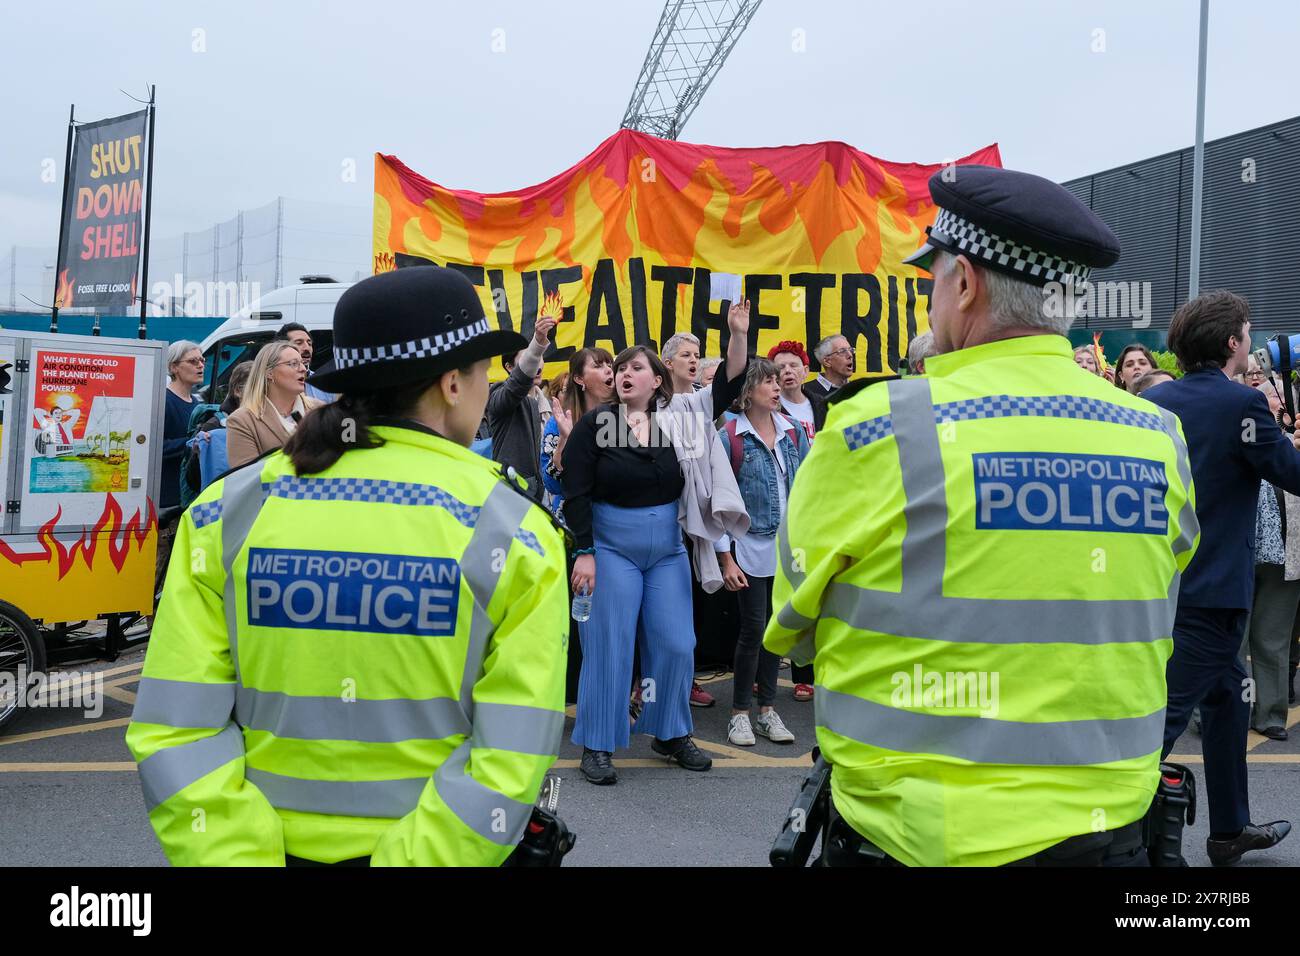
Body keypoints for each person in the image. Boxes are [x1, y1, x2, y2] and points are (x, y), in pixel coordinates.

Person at [766, 164, 1199, 867]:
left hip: (913, 837)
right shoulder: (1157, 436)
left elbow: (791, 625)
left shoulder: (874, 429)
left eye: (932, 278)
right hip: (1110, 834)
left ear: (964, 282)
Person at [126, 265, 569, 866]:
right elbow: (511, 753)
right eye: (482, 368)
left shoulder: (225, 513)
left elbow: (176, 731)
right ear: (452, 384)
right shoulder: (515, 529)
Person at [1144, 290, 1300, 865]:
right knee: (1160, 723)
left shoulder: (1156, 403)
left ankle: (1231, 828)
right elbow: (1289, 472)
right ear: (1232, 342)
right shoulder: (1241, 404)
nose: (1252, 341)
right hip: (1210, 593)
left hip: (1167, 580)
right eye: (1247, 332)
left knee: (1230, 703)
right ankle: (1111, 837)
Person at [563, 334, 749, 785]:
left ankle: (669, 732)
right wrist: (585, 552)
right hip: (610, 547)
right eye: (620, 368)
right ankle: (599, 743)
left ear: (658, 381)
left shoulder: (678, 421)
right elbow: (576, 491)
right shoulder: (596, 424)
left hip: (665, 548)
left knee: (676, 643)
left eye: (635, 368)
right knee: (610, 645)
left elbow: (727, 385)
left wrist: (738, 333)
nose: (624, 374)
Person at [715, 357, 809, 746]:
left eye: (777, 381)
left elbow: (807, 488)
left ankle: (767, 710)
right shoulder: (730, 437)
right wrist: (725, 556)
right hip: (748, 546)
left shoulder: (792, 433)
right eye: (767, 381)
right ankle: (740, 714)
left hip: (786, 549)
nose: (776, 387)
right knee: (753, 628)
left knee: (777, 629)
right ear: (747, 392)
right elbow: (717, 501)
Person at [486, 313, 556, 499]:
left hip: (547, 495)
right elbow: (516, 386)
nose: (537, 362)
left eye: (540, 356)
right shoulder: (499, 395)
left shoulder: (551, 406)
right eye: (529, 357)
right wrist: (538, 343)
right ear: (510, 367)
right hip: (514, 496)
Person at [157, 340, 205, 603]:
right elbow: (155, 447)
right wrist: (190, 443)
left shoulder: (198, 401)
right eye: (193, 361)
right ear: (174, 367)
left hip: (190, 497)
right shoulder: (165, 400)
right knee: (161, 575)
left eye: (202, 360)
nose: (200, 365)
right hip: (169, 499)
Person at [225, 341, 323, 468]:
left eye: (303, 363)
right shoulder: (242, 420)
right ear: (269, 373)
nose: (303, 369)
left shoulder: (319, 409)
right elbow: (246, 479)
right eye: (293, 364)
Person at [768, 340, 818, 443]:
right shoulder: (768, 409)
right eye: (781, 367)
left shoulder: (821, 405)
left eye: (793, 365)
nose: (788, 371)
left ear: (805, 371)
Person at [278, 322, 335, 403]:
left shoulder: (323, 382)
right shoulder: (275, 382)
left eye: (309, 343)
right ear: (283, 347)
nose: (307, 348)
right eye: (299, 343)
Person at [803, 334, 855, 401]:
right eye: (842, 351)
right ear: (827, 362)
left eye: (850, 350)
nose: (850, 355)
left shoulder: (858, 390)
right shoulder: (804, 392)